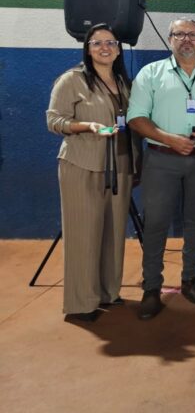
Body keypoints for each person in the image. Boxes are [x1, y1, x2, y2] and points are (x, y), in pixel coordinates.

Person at [128, 17, 195, 320]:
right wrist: (168, 138)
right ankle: (151, 288)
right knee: (156, 223)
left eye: (193, 35)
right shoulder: (150, 73)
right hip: (161, 159)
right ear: (170, 39)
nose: (187, 40)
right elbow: (136, 118)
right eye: (179, 34)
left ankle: (190, 280)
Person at [46, 24, 141, 322]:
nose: (104, 48)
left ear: (118, 49)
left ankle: (107, 292)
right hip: (82, 165)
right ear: (87, 49)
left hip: (119, 167)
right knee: (83, 235)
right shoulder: (72, 80)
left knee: (113, 232)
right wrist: (87, 126)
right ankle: (81, 303)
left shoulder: (123, 82)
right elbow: (54, 121)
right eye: (97, 43)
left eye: (110, 42)